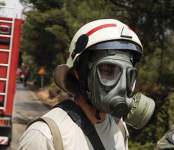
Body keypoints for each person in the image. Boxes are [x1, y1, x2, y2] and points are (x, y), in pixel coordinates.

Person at [18, 19, 155, 150]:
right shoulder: (46, 136)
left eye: (128, 75)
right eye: (107, 71)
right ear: (79, 73)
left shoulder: (119, 128)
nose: (121, 85)